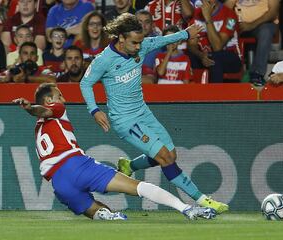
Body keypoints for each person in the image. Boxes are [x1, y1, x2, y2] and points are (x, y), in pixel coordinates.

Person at [80, 13, 228, 214]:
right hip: (125, 121)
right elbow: (86, 83)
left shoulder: (142, 45)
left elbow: (162, 40)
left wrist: (186, 33)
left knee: (171, 154)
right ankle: (202, 199)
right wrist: (94, 110)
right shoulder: (104, 60)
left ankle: (130, 165)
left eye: (141, 42)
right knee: (166, 158)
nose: (139, 47)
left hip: (143, 113)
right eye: (134, 42)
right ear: (121, 38)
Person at [12, 83, 216, 221]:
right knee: (138, 187)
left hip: (58, 183)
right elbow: (43, 110)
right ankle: (186, 208)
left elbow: (39, 113)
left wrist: (31, 109)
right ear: (49, 100)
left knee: (97, 212)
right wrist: (30, 107)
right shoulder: (56, 110)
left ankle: (106, 215)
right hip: (76, 166)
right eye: (58, 95)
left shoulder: (38, 128)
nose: (62, 98)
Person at [187, 0, 241, 83]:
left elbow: (217, 47)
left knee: (215, 58)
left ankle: (214, 94)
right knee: (188, 56)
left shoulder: (231, 16)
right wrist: (201, 55)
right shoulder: (196, 14)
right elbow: (191, 44)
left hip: (230, 57)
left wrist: (208, 18)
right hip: (205, 55)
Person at [235, 0, 281, 86]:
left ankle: (257, 74)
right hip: (239, 24)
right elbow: (226, 7)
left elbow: (273, 12)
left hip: (263, 24)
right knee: (226, 25)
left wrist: (251, 25)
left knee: (266, 31)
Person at [136, 9, 161, 83]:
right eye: (139, 22)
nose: (143, 26)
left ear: (153, 24)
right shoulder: (126, 43)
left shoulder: (160, 43)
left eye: (147, 22)